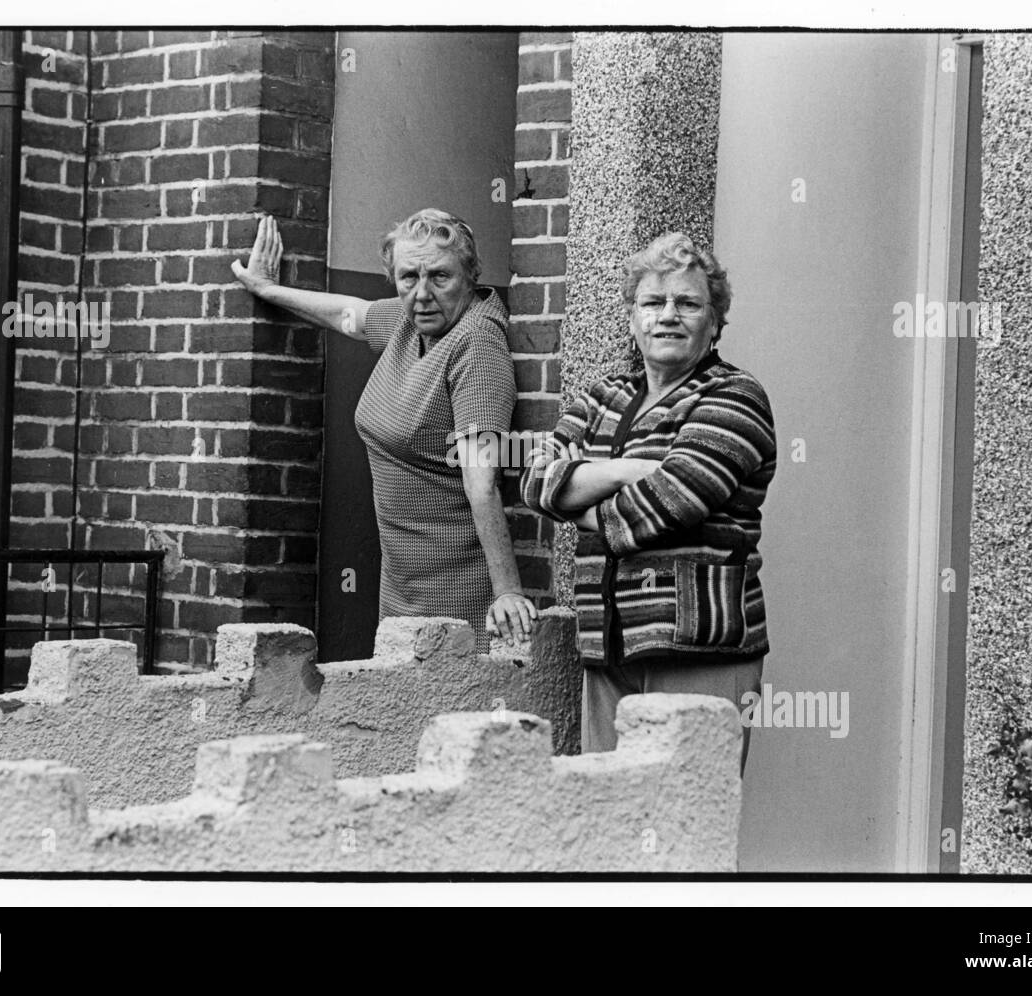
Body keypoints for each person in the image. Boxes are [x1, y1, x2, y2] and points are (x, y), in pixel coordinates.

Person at [519, 232, 776, 773]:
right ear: (633, 317)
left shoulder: (734, 396)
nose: (668, 316)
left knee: (688, 823)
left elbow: (670, 502)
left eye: (688, 303)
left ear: (715, 320)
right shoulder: (603, 396)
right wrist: (625, 470)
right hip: (606, 647)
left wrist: (576, 502)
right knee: (610, 823)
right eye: (653, 303)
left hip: (700, 646)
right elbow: (534, 482)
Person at [232, 209, 537, 652]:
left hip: (457, 585)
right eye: (408, 277)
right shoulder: (408, 322)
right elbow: (349, 315)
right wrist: (267, 289)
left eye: (440, 276)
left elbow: (482, 479)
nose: (422, 293)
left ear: (471, 276)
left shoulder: (477, 345)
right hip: (400, 582)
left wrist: (507, 591)